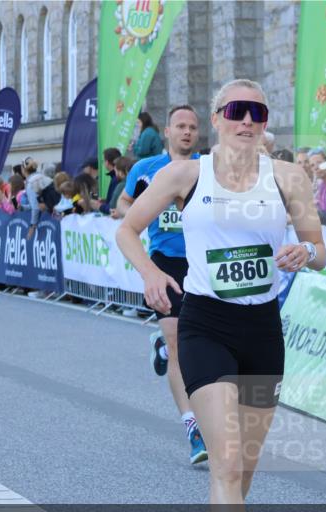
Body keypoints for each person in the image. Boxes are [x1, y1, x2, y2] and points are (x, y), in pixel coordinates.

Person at [115, 78, 326, 512]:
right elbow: (127, 229)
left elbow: (320, 249)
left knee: (246, 469)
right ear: (216, 118)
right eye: (236, 110)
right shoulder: (187, 175)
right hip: (205, 325)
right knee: (226, 459)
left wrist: (305, 252)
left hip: (262, 330)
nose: (247, 119)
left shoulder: (288, 178)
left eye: (257, 110)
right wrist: (154, 274)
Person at [116, 104, 208, 465]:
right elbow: (124, 202)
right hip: (165, 264)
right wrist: (139, 212)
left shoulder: (209, 169)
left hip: (204, 265)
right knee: (177, 341)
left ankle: (166, 350)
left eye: (192, 127)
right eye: (180, 126)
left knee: (198, 345)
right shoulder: (145, 170)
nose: (186, 132)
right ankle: (193, 428)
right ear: (167, 132)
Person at [100, 147, 122, 214]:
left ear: (107, 162)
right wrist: (105, 201)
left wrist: (99, 206)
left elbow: (112, 207)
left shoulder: (116, 179)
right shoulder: (116, 177)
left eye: (103, 161)